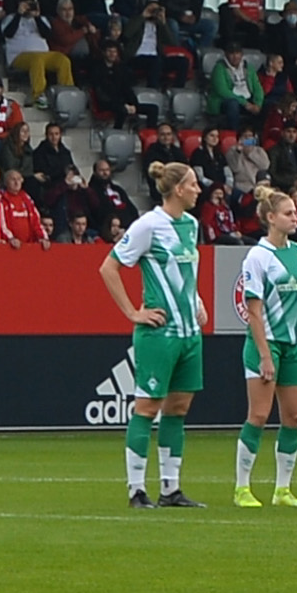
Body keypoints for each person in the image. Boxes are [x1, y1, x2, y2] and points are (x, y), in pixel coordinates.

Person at [99, 162, 210, 509]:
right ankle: (136, 490)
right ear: (178, 189)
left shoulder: (191, 226)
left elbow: (187, 272)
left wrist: (198, 301)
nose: (198, 190)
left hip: (190, 333)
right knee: (146, 408)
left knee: (178, 408)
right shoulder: (148, 225)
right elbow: (109, 267)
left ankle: (170, 488)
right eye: (193, 184)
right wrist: (133, 312)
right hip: (159, 334)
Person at [233, 186, 297, 507]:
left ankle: (282, 489)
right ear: (270, 218)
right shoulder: (257, 256)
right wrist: (265, 355)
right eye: (288, 213)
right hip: (266, 343)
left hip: (294, 345)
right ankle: (242, 487)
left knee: (294, 416)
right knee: (258, 415)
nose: (295, 216)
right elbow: (253, 311)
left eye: (295, 211)